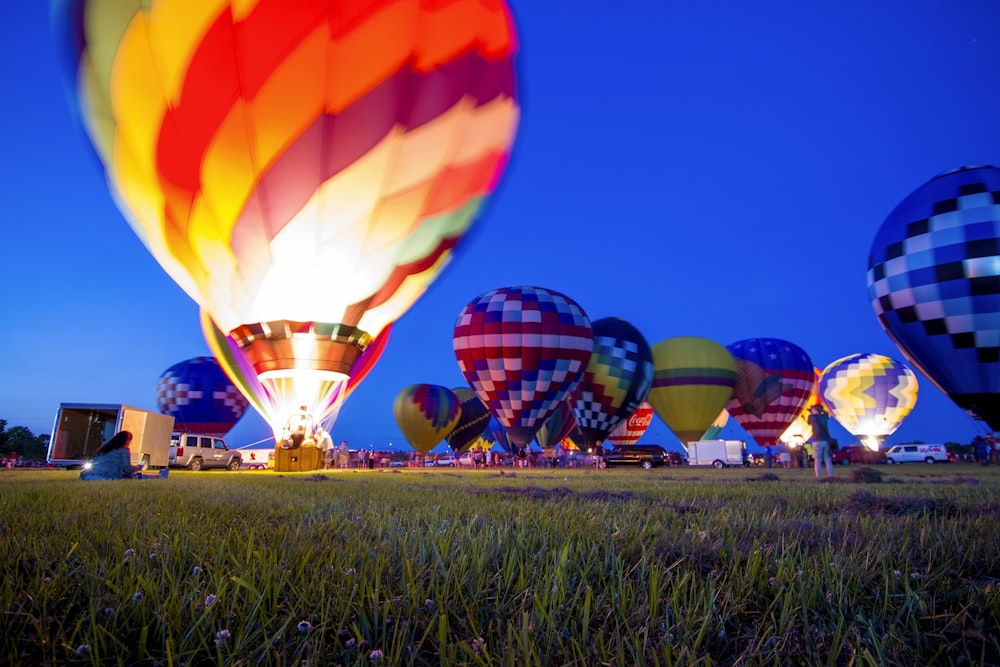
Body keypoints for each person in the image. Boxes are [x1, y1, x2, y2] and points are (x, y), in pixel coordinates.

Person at [80, 431, 169, 481]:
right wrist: (138, 467)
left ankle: (160, 475)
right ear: (126, 440)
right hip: (108, 476)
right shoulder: (123, 450)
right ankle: (160, 476)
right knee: (136, 476)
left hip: (88, 476)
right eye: (129, 440)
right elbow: (128, 469)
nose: (130, 443)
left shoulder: (105, 447)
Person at [808, 404, 834, 479]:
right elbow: (826, 413)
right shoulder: (825, 416)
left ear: (815, 410)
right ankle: (830, 476)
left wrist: (812, 413)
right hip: (826, 441)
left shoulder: (812, 417)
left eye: (813, 409)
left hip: (817, 441)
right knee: (828, 460)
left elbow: (809, 422)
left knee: (817, 461)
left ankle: (818, 477)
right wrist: (820, 410)